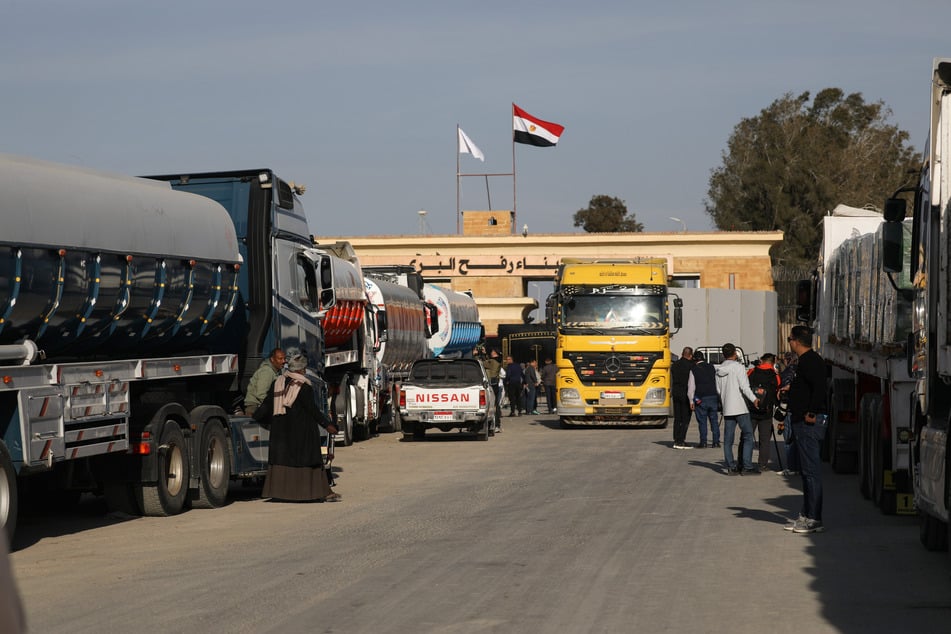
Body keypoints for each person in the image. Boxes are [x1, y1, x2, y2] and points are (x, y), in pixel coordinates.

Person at [254, 352, 341, 502]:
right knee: (309, 460)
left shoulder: (279, 383)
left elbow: (267, 405)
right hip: (301, 433)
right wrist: (327, 425)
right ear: (300, 370)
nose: (305, 371)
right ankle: (316, 492)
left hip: (281, 434)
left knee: (283, 460)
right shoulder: (303, 386)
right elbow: (312, 409)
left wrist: (255, 417)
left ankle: (282, 493)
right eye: (304, 368)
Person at [784, 326, 828, 533]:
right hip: (802, 421)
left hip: (809, 422)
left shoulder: (811, 362)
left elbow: (819, 388)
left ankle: (814, 518)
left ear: (797, 341)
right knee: (806, 472)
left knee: (811, 472)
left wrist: (811, 411)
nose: (789, 342)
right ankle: (806, 513)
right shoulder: (805, 361)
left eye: (789, 339)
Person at [715, 342, 761, 475]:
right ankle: (747, 466)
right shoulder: (738, 367)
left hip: (728, 408)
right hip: (740, 407)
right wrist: (754, 399)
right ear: (735, 353)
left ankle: (731, 467)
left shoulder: (718, 370)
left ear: (723, 354)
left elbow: (718, 390)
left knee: (728, 440)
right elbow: (744, 387)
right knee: (748, 436)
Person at [747, 353, 781, 471]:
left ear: (762, 360)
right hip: (766, 412)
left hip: (751, 409)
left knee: (747, 436)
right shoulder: (775, 376)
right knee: (765, 439)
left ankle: (745, 461)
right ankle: (762, 464)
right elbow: (777, 392)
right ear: (773, 362)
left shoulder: (752, 371)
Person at [687, 351, 720, 448]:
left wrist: (691, 401)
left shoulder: (693, 370)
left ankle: (703, 442)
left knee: (702, 421)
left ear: (694, 359)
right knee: (714, 420)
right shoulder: (712, 367)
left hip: (700, 398)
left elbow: (691, 387)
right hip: (713, 396)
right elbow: (717, 383)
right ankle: (716, 442)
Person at [776, 351, 801, 476]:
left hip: (789, 409)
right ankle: (798, 466)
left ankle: (791, 467)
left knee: (788, 439)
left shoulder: (786, 373)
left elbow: (783, 390)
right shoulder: (801, 371)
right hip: (800, 409)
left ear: (788, 360)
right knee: (798, 439)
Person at [244, 348, 286, 417]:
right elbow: (261, 394)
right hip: (256, 408)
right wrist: (275, 404)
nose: (284, 361)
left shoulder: (275, 371)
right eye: (280, 359)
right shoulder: (267, 371)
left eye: (284, 358)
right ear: (272, 359)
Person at [671, 346, 694, 449]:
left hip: (676, 393)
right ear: (690, 355)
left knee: (677, 418)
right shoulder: (691, 365)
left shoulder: (675, 365)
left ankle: (676, 439)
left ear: (682, 353)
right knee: (685, 418)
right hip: (685, 394)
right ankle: (681, 440)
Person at [482, 348, 503, 431]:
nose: (491, 353)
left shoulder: (493, 361)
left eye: (492, 352)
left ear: (495, 353)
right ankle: (497, 424)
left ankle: (495, 424)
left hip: (492, 384)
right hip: (496, 384)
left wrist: (480, 355)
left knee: (492, 405)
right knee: (496, 404)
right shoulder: (497, 361)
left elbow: (482, 363)